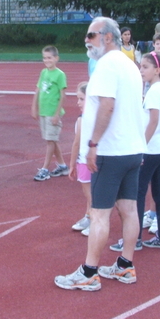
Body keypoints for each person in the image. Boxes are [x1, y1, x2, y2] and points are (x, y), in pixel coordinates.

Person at [54, 17, 146, 291]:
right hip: (132, 149)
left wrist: (93, 145)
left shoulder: (106, 65)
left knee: (99, 214)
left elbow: (107, 106)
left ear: (107, 37)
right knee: (129, 210)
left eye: (91, 35)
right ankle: (125, 266)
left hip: (111, 151)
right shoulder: (130, 66)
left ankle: (89, 272)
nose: (86, 40)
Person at [125, 52, 160, 251]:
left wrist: (141, 146)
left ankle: (134, 239)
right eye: (141, 66)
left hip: (152, 149)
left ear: (157, 70)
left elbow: (153, 120)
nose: (141, 70)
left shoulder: (155, 91)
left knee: (137, 192)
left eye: (145, 67)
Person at [32, 45, 68, 181]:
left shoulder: (60, 75)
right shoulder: (43, 72)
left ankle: (45, 168)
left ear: (56, 58)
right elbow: (38, 90)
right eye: (44, 58)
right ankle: (62, 166)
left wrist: (57, 114)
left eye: (49, 57)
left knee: (50, 141)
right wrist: (34, 107)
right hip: (44, 111)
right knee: (52, 139)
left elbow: (63, 95)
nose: (46, 60)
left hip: (52, 112)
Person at [69, 82, 92, 234]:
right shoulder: (83, 118)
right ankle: (89, 216)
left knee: (90, 193)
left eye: (82, 99)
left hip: (86, 160)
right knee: (89, 192)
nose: (78, 102)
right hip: (86, 159)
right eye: (78, 99)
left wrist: (72, 164)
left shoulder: (85, 119)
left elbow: (76, 143)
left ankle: (95, 220)